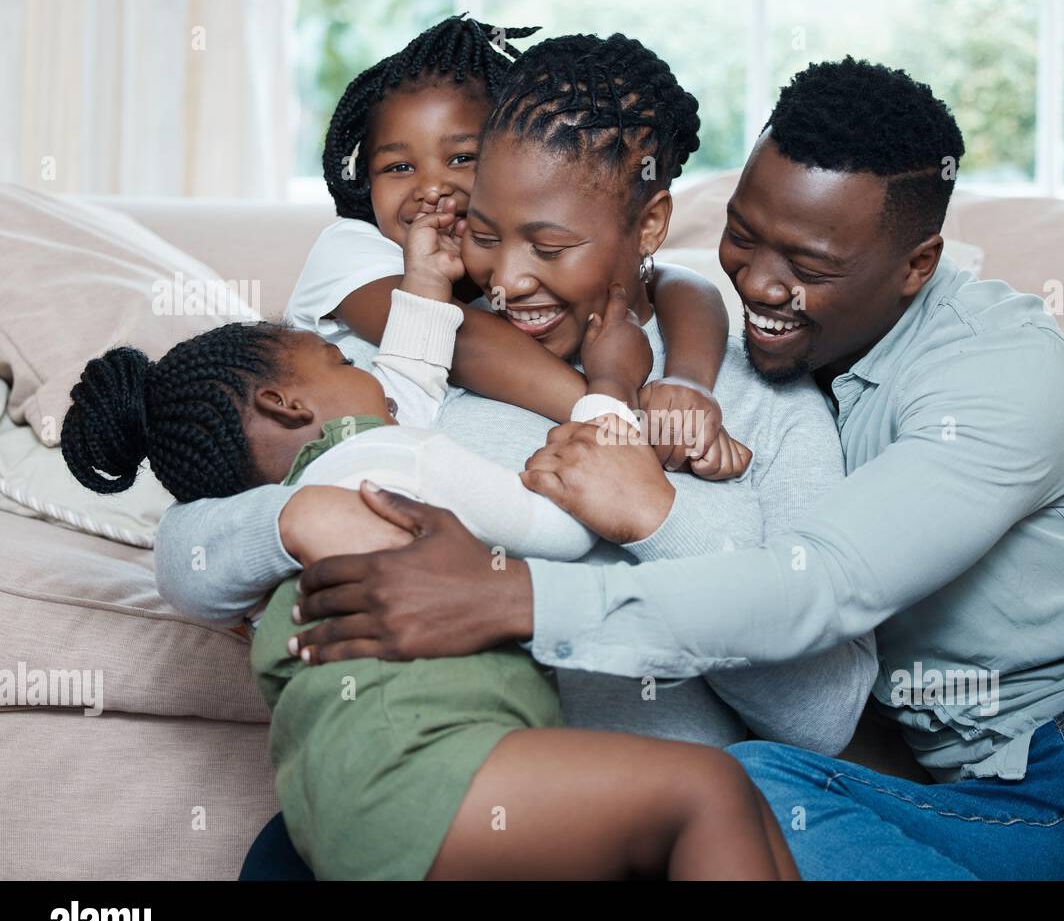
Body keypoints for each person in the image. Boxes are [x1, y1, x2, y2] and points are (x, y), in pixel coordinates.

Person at [154, 35, 878, 878]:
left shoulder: (763, 403)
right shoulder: (417, 353)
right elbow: (185, 551)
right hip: (412, 805)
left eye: (549, 243)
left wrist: (658, 515)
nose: (506, 279)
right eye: (486, 233)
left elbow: (825, 712)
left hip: (640, 841)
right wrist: (292, 518)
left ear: (648, 224)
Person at [60, 207, 798, 881]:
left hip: (345, 808)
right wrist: (607, 403)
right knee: (709, 788)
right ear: (285, 403)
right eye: (346, 363)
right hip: (424, 771)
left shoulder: (321, 500)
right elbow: (561, 530)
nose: (372, 371)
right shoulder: (399, 469)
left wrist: (423, 279)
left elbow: (403, 386)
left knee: (727, 803)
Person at [293, 13, 749, 477]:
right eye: (398, 167)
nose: (431, 189)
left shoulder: (487, 251)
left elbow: (674, 281)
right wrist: (616, 404)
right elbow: (466, 341)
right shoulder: (350, 249)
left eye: (462, 158)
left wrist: (689, 380)